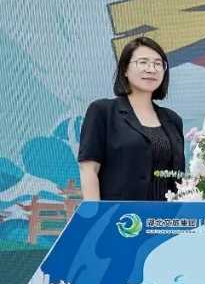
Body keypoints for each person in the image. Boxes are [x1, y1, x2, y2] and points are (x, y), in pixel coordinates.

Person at [78, 37, 185, 201]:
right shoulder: (103, 111)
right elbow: (88, 169)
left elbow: (178, 178)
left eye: (158, 64)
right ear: (125, 69)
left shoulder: (173, 119)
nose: (151, 69)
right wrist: (94, 212)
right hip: (120, 214)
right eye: (143, 62)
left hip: (166, 215)